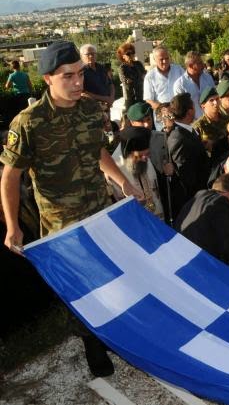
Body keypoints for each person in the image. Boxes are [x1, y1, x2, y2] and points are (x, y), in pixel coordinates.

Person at [0, 41, 142, 377]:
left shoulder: (90, 110)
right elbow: (10, 177)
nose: (78, 82)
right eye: (68, 76)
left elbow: (98, 153)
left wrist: (122, 182)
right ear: (48, 78)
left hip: (99, 212)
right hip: (63, 225)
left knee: (111, 276)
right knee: (81, 289)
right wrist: (12, 226)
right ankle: (91, 343)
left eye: (80, 73)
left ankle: (109, 331)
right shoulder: (28, 123)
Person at [174, 173, 229, 266]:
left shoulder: (199, 195)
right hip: (201, 263)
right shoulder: (222, 202)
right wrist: (227, 271)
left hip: (180, 254)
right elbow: (225, 244)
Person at [166, 93, 210, 218]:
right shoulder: (178, 137)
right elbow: (184, 174)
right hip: (192, 200)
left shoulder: (187, 131)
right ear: (190, 111)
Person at [109, 126, 165, 219]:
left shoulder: (144, 157)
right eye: (140, 155)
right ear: (127, 153)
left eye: (147, 154)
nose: (145, 159)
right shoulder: (115, 168)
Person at [173, 51, 216, 120]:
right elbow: (181, 110)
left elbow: (215, 97)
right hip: (193, 125)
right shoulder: (180, 84)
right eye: (199, 63)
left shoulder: (208, 78)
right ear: (190, 66)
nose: (203, 65)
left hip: (212, 120)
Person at [143, 46, 184, 113]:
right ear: (154, 59)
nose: (165, 61)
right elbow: (149, 100)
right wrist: (163, 109)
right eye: (161, 59)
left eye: (167, 58)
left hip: (180, 111)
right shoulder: (150, 76)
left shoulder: (178, 70)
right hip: (162, 115)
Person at [193, 87, 227, 154]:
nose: (216, 102)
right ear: (203, 106)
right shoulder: (198, 126)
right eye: (211, 100)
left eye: (217, 99)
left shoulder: (226, 119)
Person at [116, 43, 146, 114]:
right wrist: (138, 79)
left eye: (132, 52)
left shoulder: (138, 64)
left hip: (142, 95)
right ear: (123, 56)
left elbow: (145, 75)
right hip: (131, 97)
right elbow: (125, 80)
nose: (131, 55)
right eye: (128, 53)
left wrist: (137, 79)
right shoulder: (122, 68)